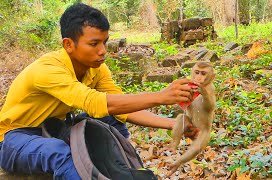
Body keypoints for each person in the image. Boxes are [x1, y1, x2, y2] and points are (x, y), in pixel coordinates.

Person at [0, 3, 198, 179]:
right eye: (94, 44)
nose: (103, 50)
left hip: (55, 128)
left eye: (104, 41)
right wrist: (160, 96)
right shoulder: (48, 69)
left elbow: (121, 109)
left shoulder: (97, 68)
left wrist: (174, 124)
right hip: (14, 137)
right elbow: (93, 103)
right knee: (58, 152)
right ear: (68, 44)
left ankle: (124, 171)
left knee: (112, 119)